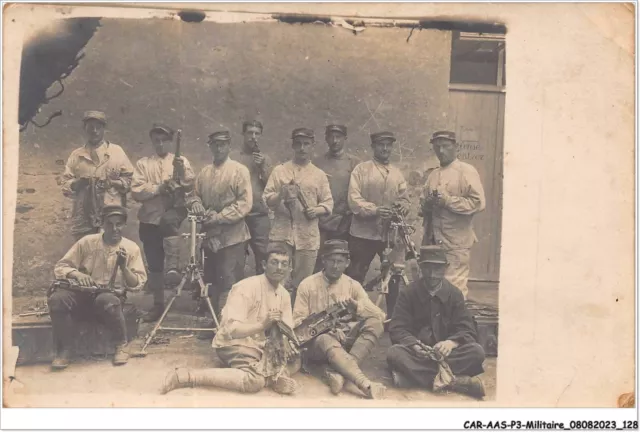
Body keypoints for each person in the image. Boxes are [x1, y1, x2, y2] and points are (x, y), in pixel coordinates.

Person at [161, 243, 300, 395]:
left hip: (262, 347)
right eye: (274, 262)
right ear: (264, 265)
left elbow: (287, 330)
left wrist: (288, 344)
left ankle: (272, 374)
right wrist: (262, 325)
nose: (279, 267)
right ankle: (186, 376)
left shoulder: (284, 295)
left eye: (284, 264)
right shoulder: (246, 287)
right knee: (254, 382)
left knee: (297, 359)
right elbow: (231, 330)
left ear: (289, 269)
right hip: (236, 343)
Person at [47, 205, 147, 370]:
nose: (114, 229)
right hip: (82, 295)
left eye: (119, 224)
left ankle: (121, 344)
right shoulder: (87, 242)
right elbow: (61, 267)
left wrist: (124, 267)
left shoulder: (131, 248)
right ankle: (65, 349)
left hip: (109, 299)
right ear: (102, 224)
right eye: (109, 224)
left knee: (107, 300)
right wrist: (77, 275)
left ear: (124, 225)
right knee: (57, 299)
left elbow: (137, 284)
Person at [386, 245, 486, 399]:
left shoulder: (455, 294)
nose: (432, 275)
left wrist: (451, 343)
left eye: (437, 269)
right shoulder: (408, 293)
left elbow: (467, 328)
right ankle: (456, 382)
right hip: (419, 354)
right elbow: (397, 328)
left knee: (477, 352)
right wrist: (414, 345)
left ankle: (413, 378)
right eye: (427, 268)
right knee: (394, 354)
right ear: (420, 267)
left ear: (445, 268)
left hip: (447, 354)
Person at [294, 240, 386, 399]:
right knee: (325, 339)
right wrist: (327, 329)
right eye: (331, 261)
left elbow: (380, 316)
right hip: (318, 345)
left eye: (340, 261)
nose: (335, 266)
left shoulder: (353, 285)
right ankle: (365, 384)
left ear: (347, 263)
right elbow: (297, 323)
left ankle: (340, 374)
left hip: (347, 342)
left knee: (375, 324)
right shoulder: (307, 285)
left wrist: (358, 307)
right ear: (324, 260)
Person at [131, 123, 195, 322]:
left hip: (172, 217)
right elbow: (136, 190)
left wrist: (180, 180)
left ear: (169, 142)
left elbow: (191, 185)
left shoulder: (181, 161)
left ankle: (175, 269)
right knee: (155, 264)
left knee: (171, 264)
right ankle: (158, 305)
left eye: (164, 141)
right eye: (156, 141)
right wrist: (159, 188)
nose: (160, 145)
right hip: (150, 219)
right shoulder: (143, 164)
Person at [263, 128, 333, 301]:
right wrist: (280, 194)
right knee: (277, 280)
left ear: (312, 146)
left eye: (306, 144)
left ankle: (297, 321)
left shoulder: (319, 175)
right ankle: (275, 320)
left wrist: (315, 210)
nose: (302, 148)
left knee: (303, 284)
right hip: (282, 234)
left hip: (307, 235)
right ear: (293, 145)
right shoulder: (280, 171)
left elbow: (328, 202)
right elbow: (266, 199)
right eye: (298, 144)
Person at [187, 130, 252, 319]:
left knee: (230, 282)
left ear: (229, 146)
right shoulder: (204, 173)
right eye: (215, 144)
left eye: (222, 144)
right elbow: (193, 195)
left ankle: (230, 324)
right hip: (210, 237)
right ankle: (215, 322)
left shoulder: (239, 171)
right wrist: (196, 203)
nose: (218, 148)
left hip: (233, 237)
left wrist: (219, 217)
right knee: (212, 280)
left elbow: (244, 204)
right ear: (210, 147)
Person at [421, 131, 486, 298]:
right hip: (433, 242)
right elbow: (423, 206)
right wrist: (427, 204)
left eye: (445, 146)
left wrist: (448, 202)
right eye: (437, 147)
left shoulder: (466, 171)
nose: (441, 151)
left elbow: (478, 203)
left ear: (455, 147)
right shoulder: (433, 175)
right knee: (432, 290)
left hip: (456, 243)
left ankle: (454, 323)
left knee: (454, 291)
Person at [346, 131, 411, 284]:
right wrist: (375, 210)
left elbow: (405, 199)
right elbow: (353, 199)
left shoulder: (397, 173)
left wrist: (403, 206)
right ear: (373, 146)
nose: (385, 149)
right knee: (355, 276)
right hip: (362, 235)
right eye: (381, 145)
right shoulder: (361, 170)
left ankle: (392, 308)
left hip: (388, 235)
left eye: (388, 145)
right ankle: (353, 308)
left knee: (393, 276)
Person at [60, 111, 134, 240]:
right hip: (84, 214)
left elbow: (130, 179)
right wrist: (77, 184)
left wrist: (113, 183)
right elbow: (65, 184)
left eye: (98, 127)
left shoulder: (116, 152)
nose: (94, 131)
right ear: (85, 128)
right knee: (86, 251)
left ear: (104, 129)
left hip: (110, 212)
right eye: (90, 127)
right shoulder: (77, 155)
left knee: (109, 251)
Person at [312, 125, 361, 273]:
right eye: (331, 137)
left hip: (344, 222)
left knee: (342, 262)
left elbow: (357, 192)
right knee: (319, 262)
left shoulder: (355, 163)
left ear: (345, 139)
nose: (334, 141)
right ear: (326, 139)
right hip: (322, 221)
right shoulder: (317, 163)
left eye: (338, 137)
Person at [233, 120, 273, 275]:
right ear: (243, 134)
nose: (253, 137)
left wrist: (262, 166)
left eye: (257, 133)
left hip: (259, 214)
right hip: (238, 214)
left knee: (263, 254)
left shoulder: (265, 159)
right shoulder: (234, 157)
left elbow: (271, 185)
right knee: (236, 256)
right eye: (250, 133)